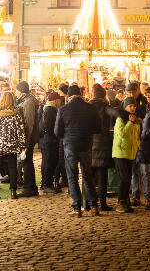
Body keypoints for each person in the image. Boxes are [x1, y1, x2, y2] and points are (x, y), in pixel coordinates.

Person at [55, 84, 101, 217]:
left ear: (68, 96)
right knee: (87, 175)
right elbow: (98, 128)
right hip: (86, 145)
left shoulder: (63, 109)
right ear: (80, 95)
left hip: (70, 146)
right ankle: (93, 206)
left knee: (72, 176)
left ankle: (77, 208)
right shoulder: (90, 108)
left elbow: (57, 132)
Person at [0, 91, 27, 199]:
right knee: (12, 168)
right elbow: (20, 130)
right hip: (11, 145)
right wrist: (22, 145)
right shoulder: (15, 113)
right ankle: (13, 192)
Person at [89, 84, 118, 211]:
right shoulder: (106, 107)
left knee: (89, 175)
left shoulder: (88, 107)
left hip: (89, 144)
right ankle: (103, 202)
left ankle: (90, 203)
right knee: (102, 176)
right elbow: (115, 114)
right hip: (103, 144)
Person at [112, 97, 141, 213]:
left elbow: (136, 136)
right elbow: (123, 134)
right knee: (125, 178)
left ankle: (125, 201)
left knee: (128, 178)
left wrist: (137, 145)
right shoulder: (121, 119)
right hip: (121, 152)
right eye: (130, 106)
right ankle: (120, 202)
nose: (132, 108)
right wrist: (130, 122)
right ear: (125, 107)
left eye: (134, 106)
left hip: (131, 152)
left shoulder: (135, 120)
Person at [126, 82, 150, 207]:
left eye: (133, 92)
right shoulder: (126, 103)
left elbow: (147, 118)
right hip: (131, 141)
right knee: (133, 170)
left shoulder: (144, 101)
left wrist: (141, 120)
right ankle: (135, 196)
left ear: (137, 91)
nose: (131, 94)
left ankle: (147, 197)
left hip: (143, 140)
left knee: (144, 170)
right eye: (129, 92)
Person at [15, 81, 40, 197]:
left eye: (16, 90)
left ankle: (28, 188)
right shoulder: (27, 100)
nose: (15, 92)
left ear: (20, 91)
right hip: (28, 135)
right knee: (27, 161)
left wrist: (26, 139)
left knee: (26, 162)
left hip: (28, 136)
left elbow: (29, 122)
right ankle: (32, 187)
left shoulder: (28, 102)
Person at [39, 92, 62, 194]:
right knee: (49, 162)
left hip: (49, 139)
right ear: (55, 100)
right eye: (59, 100)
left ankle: (47, 183)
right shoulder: (50, 110)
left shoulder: (49, 108)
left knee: (49, 162)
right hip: (50, 140)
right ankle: (47, 185)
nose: (60, 102)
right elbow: (48, 126)